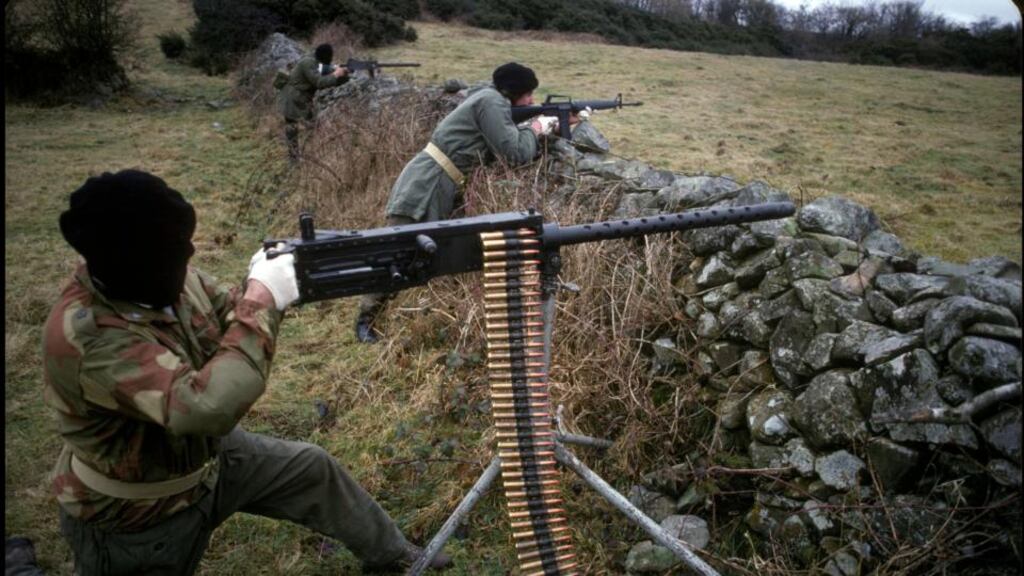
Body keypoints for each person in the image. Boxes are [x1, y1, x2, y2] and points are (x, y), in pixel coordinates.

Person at [43, 170, 451, 575]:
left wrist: (280, 281)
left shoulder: (168, 278)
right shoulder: (88, 337)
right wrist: (261, 300)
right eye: (174, 252)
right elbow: (207, 406)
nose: (188, 257)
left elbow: (229, 314)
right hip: (139, 514)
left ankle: (393, 557)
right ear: (132, 263)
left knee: (311, 469)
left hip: (209, 462)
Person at [354, 62, 562, 343]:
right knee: (397, 253)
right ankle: (366, 319)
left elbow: (504, 138)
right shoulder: (492, 102)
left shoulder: (490, 98)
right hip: (426, 185)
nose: (531, 101)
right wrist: (536, 128)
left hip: (440, 182)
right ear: (512, 92)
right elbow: (515, 153)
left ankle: (443, 314)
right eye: (527, 95)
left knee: (440, 254)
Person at [280, 43, 349, 163]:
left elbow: (327, 75)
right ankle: (294, 159)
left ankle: (306, 155)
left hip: (300, 98)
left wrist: (344, 75)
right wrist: (335, 74)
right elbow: (319, 82)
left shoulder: (316, 64)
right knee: (292, 128)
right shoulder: (308, 63)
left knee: (311, 125)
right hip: (292, 98)